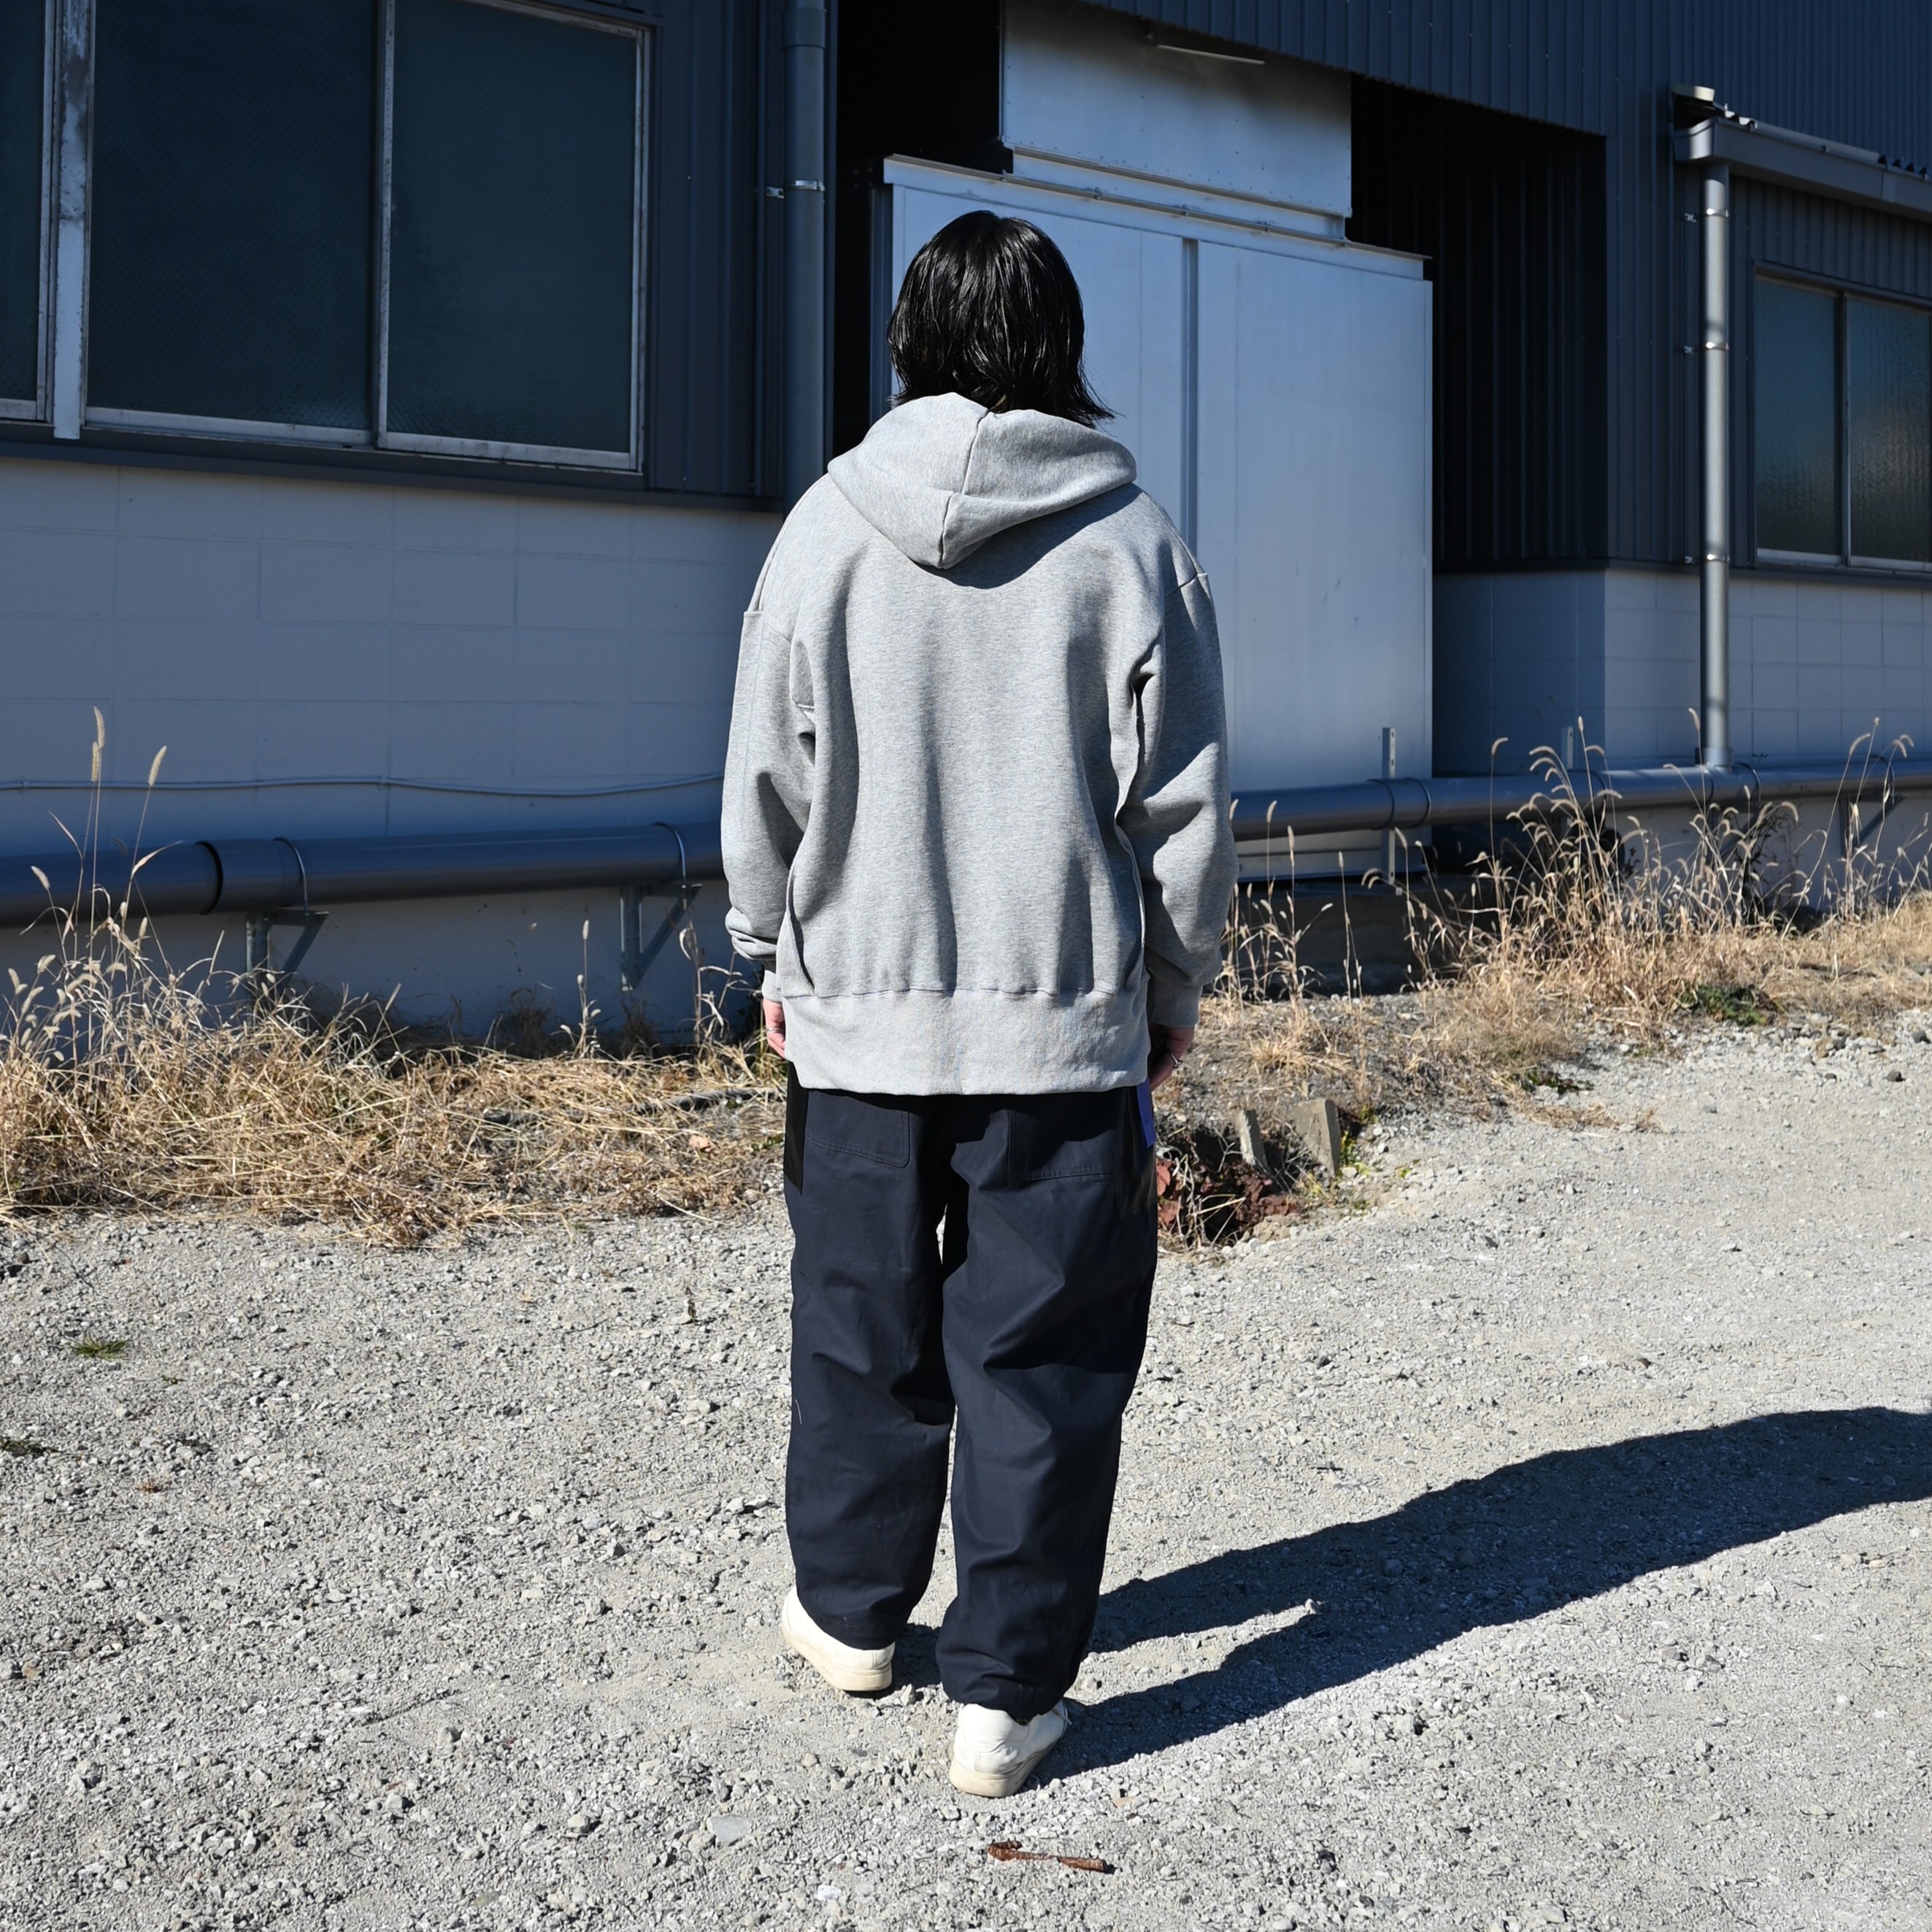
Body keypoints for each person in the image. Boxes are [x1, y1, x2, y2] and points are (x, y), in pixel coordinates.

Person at [721, 209, 1236, 1797]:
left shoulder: (825, 528)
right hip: (1060, 1026)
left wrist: (771, 949)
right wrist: (1170, 981)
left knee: (858, 1321)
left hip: (860, 1014)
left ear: (910, 339)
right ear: (1061, 348)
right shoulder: (1131, 543)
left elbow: (768, 771)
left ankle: (850, 1618)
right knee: (1044, 1353)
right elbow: (1183, 806)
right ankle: (1003, 1699)